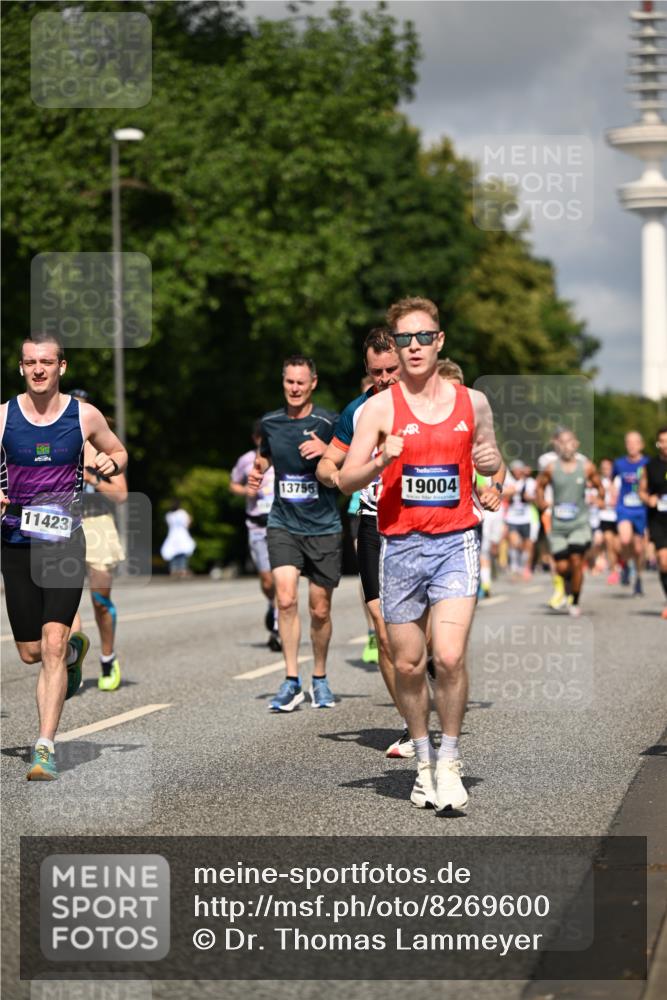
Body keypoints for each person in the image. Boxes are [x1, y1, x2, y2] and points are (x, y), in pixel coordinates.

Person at [340, 296, 501, 814]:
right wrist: (378, 461)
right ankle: (423, 759)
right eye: (404, 339)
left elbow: (490, 462)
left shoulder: (472, 402)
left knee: (448, 655)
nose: (413, 347)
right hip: (400, 545)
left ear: (439, 341)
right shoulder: (380, 409)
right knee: (409, 663)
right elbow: (346, 477)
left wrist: (492, 469)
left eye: (422, 337)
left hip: (456, 541)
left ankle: (450, 761)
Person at [0, 333, 127, 780]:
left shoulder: (83, 415)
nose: (38, 369)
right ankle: (75, 656)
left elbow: (117, 450)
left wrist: (113, 463)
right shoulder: (2, 418)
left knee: (51, 644)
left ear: (61, 367)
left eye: (46, 362)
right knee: (31, 652)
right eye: (30, 362)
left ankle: (44, 747)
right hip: (15, 543)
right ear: (21, 368)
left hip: (64, 541)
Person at [316, 328, 411, 755]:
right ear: (367, 369)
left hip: (418, 524)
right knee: (384, 632)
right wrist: (334, 475)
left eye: (393, 368)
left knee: (417, 632)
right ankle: (413, 725)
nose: (387, 377)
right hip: (373, 523)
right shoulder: (357, 410)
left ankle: (430, 680)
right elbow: (328, 461)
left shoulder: (427, 402)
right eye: (378, 371)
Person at [248, 355, 341, 711]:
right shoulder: (270, 422)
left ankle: (319, 677)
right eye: (290, 382)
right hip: (283, 522)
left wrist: (327, 451)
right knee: (285, 599)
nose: (295, 388)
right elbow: (265, 457)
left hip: (323, 527)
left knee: (319, 610)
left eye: (302, 382)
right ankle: (291, 680)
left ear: (313, 382)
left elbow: (351, 458)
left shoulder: (330, 422)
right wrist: (258, 472)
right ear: (283, 382)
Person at [69, 389, 127, 692]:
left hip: (98, 527)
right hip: (65, 524)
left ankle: (108, 657)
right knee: (62, 599)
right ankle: (69, 660)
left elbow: (121, 494)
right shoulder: (57, 445)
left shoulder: (102, 448)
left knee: (100, 601)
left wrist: (92, 476)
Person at [535, 429, 604, 617]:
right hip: (558, 525)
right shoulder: (550, 467)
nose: (566, 446)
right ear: (557, 445)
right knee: (563, 567)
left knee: (576, 560)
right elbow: (539, 486)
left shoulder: (586, 466)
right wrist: (541, 502)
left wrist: (599, 500)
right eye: (562, 442)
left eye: (570, 442)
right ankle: (569, 584)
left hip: (579, 523)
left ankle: (575, 599)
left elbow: (600, 487)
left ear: (576, 444)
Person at [230, 421, 280, 652]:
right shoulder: (245, 460)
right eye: (261, 438)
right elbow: (233, 484)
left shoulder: (282, 455)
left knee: (282, 578)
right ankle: (272, 604)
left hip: (281, 522)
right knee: (267, 580)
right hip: (257, 525)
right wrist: (246, 491)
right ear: (255, 439)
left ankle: (279, 625)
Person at [613, 431, 649, 596]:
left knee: (639, 548)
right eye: (628, 442)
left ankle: (639, 578)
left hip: (642, 509)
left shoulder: (648, 463)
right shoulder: (619, 464)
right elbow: (613, 482)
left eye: (635, 442)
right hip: (624, 508)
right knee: (624, 539)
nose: (631, 446)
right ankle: (626, 565)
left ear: (641, 445)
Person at [639, 426, 667, 618]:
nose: (666, 445)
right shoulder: (650, 465)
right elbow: (641, 489)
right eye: (663, 441)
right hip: (658, 519)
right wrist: (647, 498)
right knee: (664, 562)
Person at [503, 460, 539, 580]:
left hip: (526, 517)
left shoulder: (530, 483)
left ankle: (525, 567)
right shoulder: (508, 481)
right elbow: (503, 496)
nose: (517, 471)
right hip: (512, 517)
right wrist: (509, 492)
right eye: (515, 469)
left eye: (519, 469)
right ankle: (514, 567)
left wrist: (530, 497)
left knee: (527, 545)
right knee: (514, 542)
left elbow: (536, 498)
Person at [598, 458, 619, 582]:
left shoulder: (620, 480)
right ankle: (613, 570)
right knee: (609, 543)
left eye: (608, 467)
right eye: (603, 468)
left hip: (619, 516)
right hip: (605, 516)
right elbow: (596, 498)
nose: (606, 470)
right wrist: (600, 503)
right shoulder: (600, 482)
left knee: (619, 545)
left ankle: (624, 564)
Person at [161, 501, 195, 577]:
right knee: (182, 553)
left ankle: (174, 570)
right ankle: (182, 570)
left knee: (173, 553)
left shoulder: (169, 515)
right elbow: (187, 523)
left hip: (172, 536)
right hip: (182, 535)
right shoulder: (182, 513)